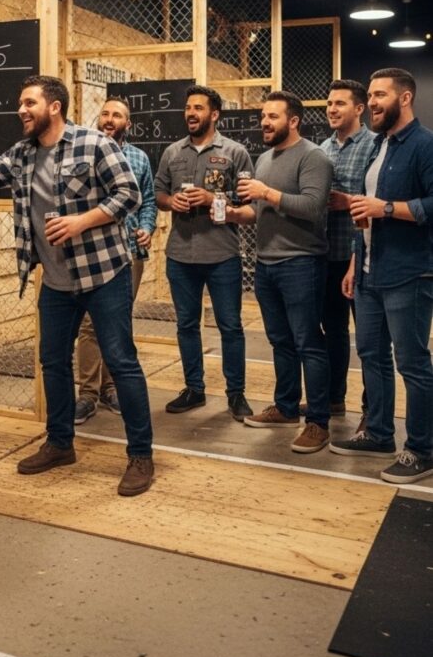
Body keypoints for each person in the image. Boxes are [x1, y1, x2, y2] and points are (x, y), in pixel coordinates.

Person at [0, 75, 155, 496]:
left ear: (53, 107)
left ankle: (141, 455)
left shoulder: (94, 144)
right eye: (21, 103)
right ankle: (60, 444)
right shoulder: (22, 155)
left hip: (104, 274)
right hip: (56, 281)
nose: (21, 110)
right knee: (52, 362)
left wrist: (81, 220)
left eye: (29, 103)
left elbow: (129, 194)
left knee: (122, 361)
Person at [330, 68, 433, 483]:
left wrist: (387, 208)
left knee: (412, 363)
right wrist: (356, 264)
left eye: (380, 95)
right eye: (370, 95)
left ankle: (423, 448)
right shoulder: (379, 147)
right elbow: (367, 210)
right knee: (371, 356)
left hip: (409, 272)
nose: (372, 102)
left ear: (404, 98)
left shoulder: (424, 145)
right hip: (370, 271)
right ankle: (378, 433)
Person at [232, 91, 333, 453]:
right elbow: (259, 213)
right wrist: (233, 214)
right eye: (263, 116)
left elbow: (312, 206)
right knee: (280, 341)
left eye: (273, 116)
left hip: (301, 262)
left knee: (309, 342)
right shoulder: (263, 159)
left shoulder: (313, 156)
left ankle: (318, 422)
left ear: (293, 121)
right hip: (267, 264)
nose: (264, 122)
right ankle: (287, 407)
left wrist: (267, 193)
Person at [154, 85, 255, 421]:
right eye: (188, 108)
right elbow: (158, 192)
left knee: (230, 326)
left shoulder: (235, 152)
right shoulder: (172, 152)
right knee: (186, 325)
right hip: (180, 254)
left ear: (214, 114)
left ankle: (236, 394)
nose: (191, 113)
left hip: (222, 254)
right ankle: (194, 389)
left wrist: (213, 200)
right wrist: (171, 202)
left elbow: (248, 204)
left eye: (198, 108)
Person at [75, 97, 157, 425]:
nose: (110, 119)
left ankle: (111, 389)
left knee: (117, 321)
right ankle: (87, 394)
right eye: (106, 113)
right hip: (92, 252)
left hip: (128, 254)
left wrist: (147, 228)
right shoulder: (82, 153)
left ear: (128, 124)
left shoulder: (139, 158)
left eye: (117, 115)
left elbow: (148, 201)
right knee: (89, 324)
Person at [312, 79, 375, 419]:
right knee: (333, 332)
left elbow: (380, 196)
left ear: (359, 108)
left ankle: (371, 410)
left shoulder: (375, 146)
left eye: (340, 103)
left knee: (368, 340)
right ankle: (335, 400)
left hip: (362, 256)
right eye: (330, 103)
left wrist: (346, 201)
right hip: (327, 255)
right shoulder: (322, 148)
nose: (332, 109)